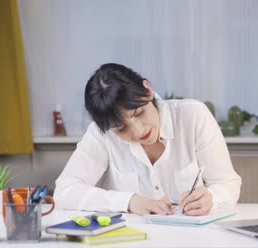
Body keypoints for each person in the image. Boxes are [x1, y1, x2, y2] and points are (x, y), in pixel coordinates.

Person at [54, 63, 241, 216]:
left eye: (139, 113)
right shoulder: (101, 133)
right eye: (121, 129)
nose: (139, 131)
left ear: (147, 90)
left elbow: (227, 183)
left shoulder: (193, 115)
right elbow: (64, 191)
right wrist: (130, 201)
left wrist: (211, 199)